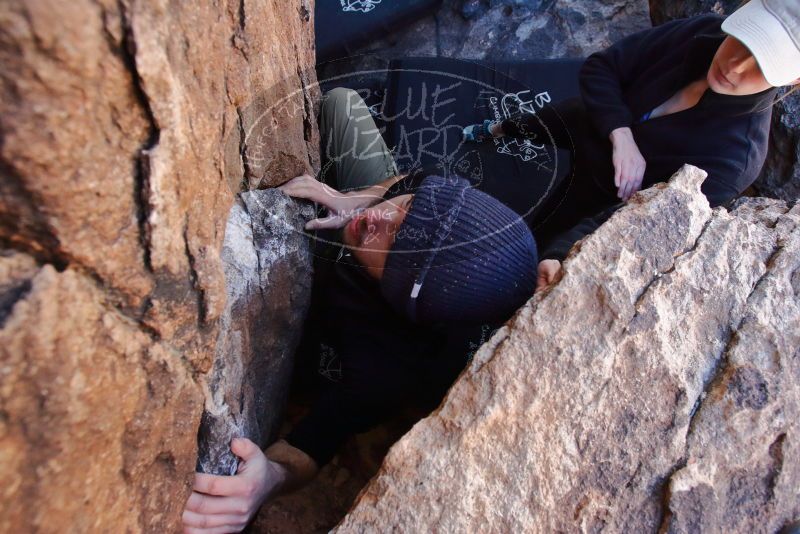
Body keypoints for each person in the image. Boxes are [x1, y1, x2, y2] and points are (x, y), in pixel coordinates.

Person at [181, 87, 540, 533]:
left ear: (404, 292)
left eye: (397, 244)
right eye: (408, 210)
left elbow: (310, 446)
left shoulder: (386, 366)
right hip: (371, 223)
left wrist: (263, 484)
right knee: (342, 103)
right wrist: (357, 199)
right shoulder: (430, 212)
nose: (380, 221)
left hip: (335, 306)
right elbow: (409, 182)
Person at [464, 0, 800, 289]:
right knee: (534, 124)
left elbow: (639, 217)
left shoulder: (734, 161)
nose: (735, 65)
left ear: (793, 80)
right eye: (743, 42)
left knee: (541, 231)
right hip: (592, 119)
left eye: (761, 64)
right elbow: (602, 66)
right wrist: (620, 134)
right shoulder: (706, 32)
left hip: (602, 191)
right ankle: (496, 130)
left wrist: (559, 254)